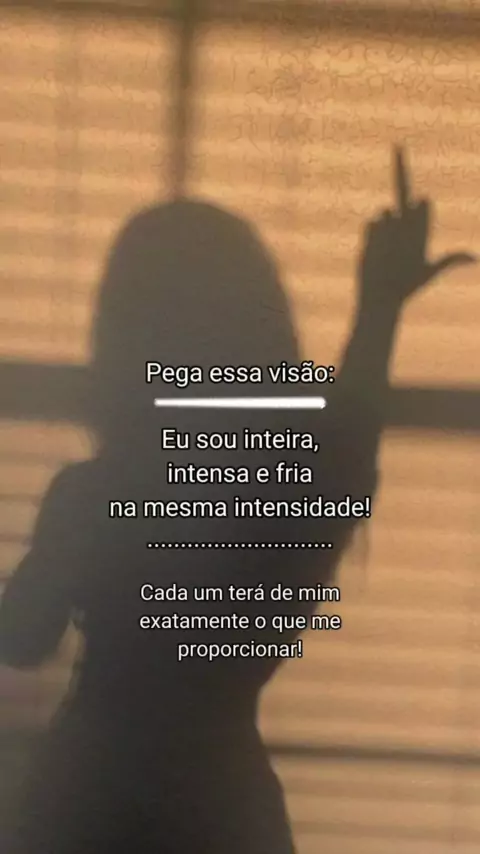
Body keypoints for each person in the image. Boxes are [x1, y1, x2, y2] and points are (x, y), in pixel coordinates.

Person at [0, 148, 473, 853]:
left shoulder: (94, 496)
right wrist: (378, 308)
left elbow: (21, 638)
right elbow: (349, 437)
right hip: (222, 806)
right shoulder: (286, 504)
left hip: (87, 800)